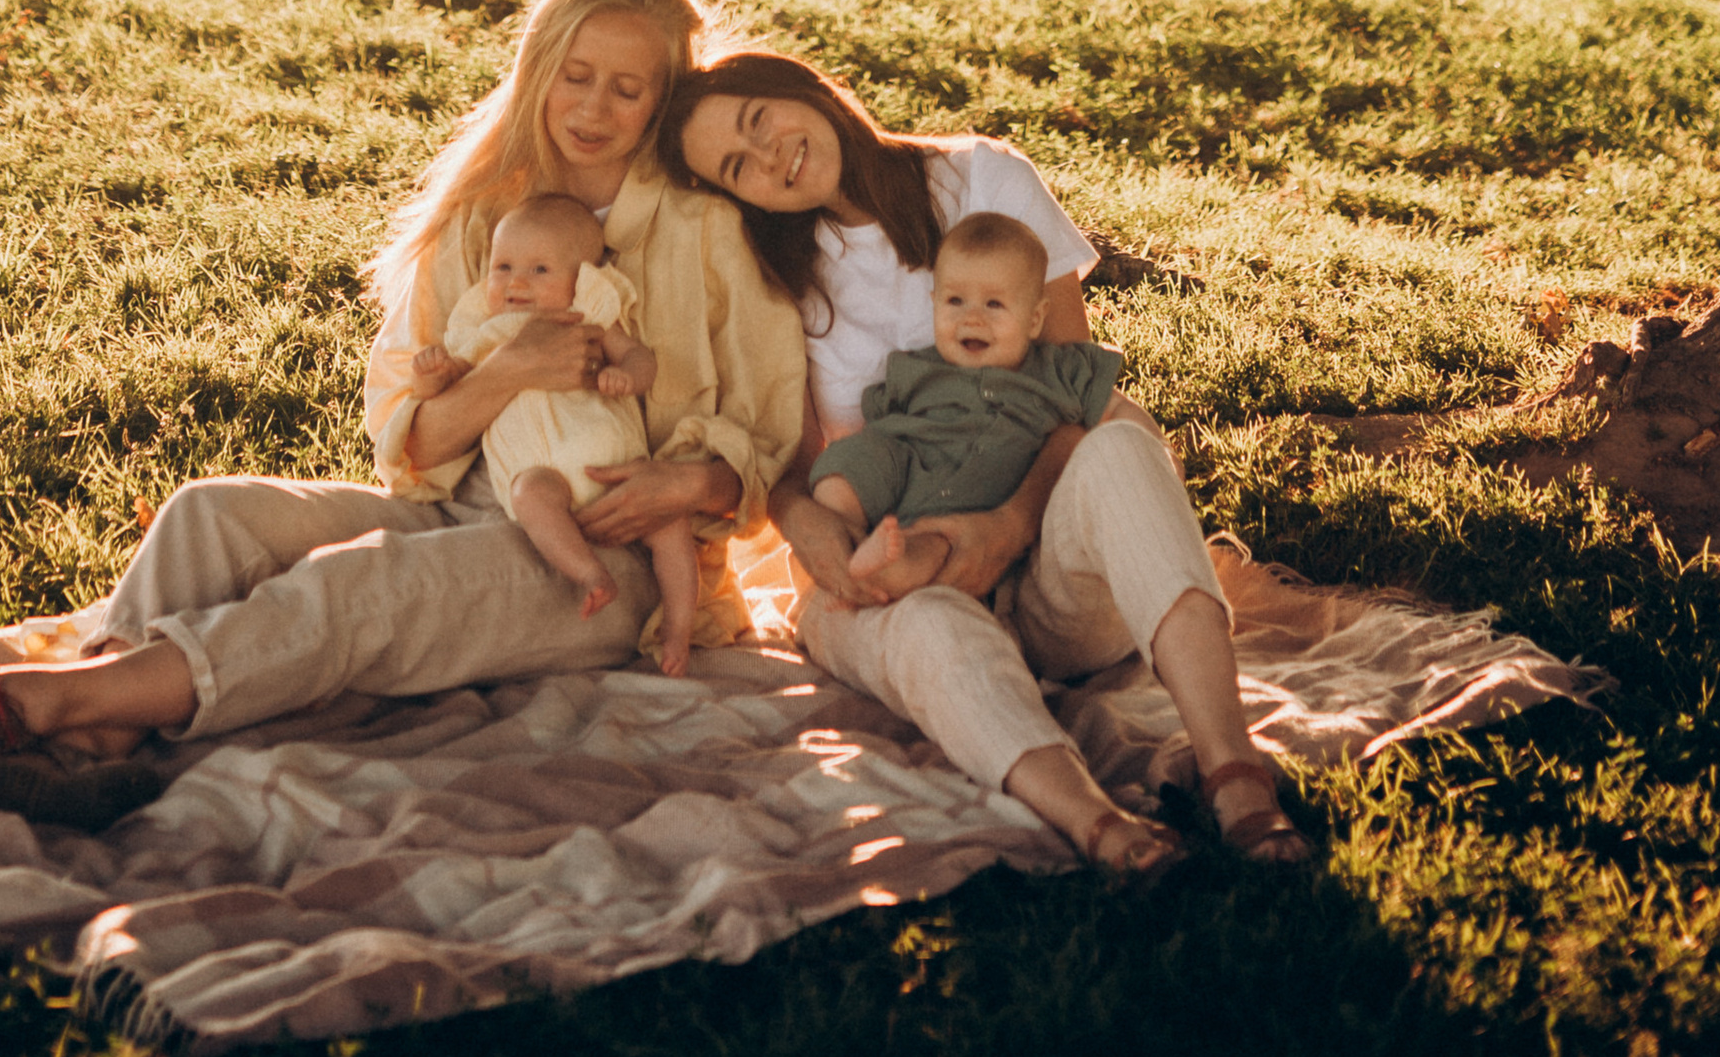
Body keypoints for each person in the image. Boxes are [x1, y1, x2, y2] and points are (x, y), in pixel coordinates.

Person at [0, 0, 800, 787]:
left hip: (617, 563)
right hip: (469, 508)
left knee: (355, 589)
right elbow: (412, 453)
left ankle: (33, 710)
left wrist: (684, 479)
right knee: (211, 512)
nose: (594, 107)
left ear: (665, 97)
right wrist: (509, 373)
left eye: (627, 89)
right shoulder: (480, 225)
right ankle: (103, 737)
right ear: (538, 72)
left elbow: (762, 440)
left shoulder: (705, 230)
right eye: (575, 76)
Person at [670, 49, 1312, 875]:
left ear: (802, 90)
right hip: (902, 571)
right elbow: (796, 467)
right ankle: (1102, 829)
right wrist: (810, 533)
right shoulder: (780, 271)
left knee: (1121, 434)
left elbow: (1069, 397)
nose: (768, 159)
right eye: (736, 167)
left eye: (759, 121)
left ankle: (1235, 777)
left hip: (1052, 572)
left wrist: (1006, 528)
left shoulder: (981, 180)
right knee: (930, 625)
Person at [416, 188, 701, 672]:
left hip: (615, 467)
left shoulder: (588, 316)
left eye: (539, 270)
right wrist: (435, 374)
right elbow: (455, 385)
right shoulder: (488, 329)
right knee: (529, 494)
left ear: (581, 280)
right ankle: (589, 573)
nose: (516, 283)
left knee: (672, 527)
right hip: (547, 473)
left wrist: (628, 375)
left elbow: (638, 356)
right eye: (502, 267)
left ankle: (678, 625)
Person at [808, 208, 1121, 605]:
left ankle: (891, 570)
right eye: (955, 301)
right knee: (852, 459)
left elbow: (1118, 423)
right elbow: (884, 427)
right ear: (934, 302)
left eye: (994, 305)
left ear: (1035, 318)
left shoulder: (1061, 371)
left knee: (935, 542)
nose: (971, 318)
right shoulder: (915, 369)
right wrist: (871, 459)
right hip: (917, 476)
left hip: (981, 507)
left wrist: (1150, 455)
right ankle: (847, 534)